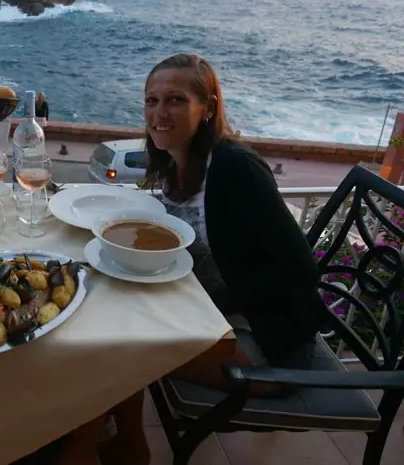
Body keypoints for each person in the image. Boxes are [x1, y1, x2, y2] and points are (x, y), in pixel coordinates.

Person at [90, 54, 324, 465]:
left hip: (267, 348)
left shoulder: (235, 168)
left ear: (209, 108)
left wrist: (214, 300)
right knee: (110, 315)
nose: (160, 113)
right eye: (152, 100)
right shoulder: (175, 162)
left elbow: (298, 267)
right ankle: (112, 430)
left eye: (176, 100)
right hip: (211, 316)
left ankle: (113, 444)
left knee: (118, 345)